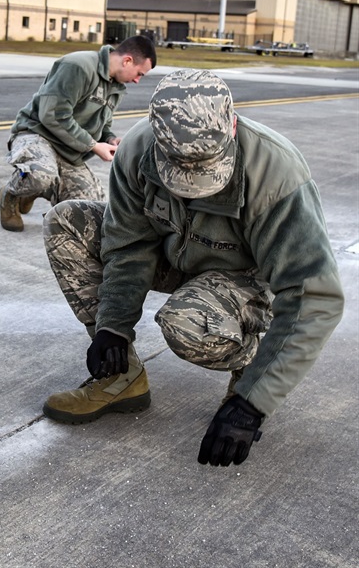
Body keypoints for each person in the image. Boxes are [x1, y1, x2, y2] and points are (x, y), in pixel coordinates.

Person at [41, 69, 343, 467]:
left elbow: (312, 296)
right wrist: (112, 327)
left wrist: (253, 401)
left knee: (186, 324)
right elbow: (129, 244)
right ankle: (121, 377)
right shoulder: (136, 151)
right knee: (68, 222)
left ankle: (250, 363)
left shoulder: (276, 175)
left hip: (245, 278)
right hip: (177, 256)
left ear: (231, 125)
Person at [0, 35, 157, 232]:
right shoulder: (78, 66)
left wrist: (110, 139)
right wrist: (93, 146)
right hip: (36, 135)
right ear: (127, 60)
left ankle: (37, 188)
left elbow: (102, 126)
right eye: (139, 73)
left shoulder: (116, 87)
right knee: (41, 175)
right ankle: (10, 195)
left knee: (91, 208)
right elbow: (53, 115)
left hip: (69, 150)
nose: (137, 80)